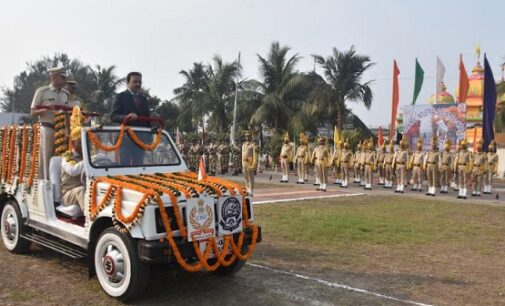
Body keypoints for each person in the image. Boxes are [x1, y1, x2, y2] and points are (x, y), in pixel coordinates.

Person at [31, 67, 69, 179]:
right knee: (46, 157)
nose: (65, 80)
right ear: (54, 77)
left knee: (60, 157)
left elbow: (67, 114)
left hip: (61, 130)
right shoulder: (42, 92)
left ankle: (57, 182)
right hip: (47, 127)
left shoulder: (65, 94)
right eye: (62, 77)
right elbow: (32, 112)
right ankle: (44, 183)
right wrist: (45, 109)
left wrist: (68, 131)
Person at [111, 72, 150, 166]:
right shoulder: (120, 97)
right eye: (135, 81)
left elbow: (147, 119)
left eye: (140, 82)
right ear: (128, 83)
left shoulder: (143, 99)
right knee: (125, 166)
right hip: (125, 139)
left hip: (140, 139)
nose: (138, 84)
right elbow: (113, 116)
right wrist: (127, 117)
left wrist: (149, 137)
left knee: (139, 166)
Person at [60, 107, 86, 214]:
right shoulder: (66, 157)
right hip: (68, 195)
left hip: (83, 191)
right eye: (80, 142)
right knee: (81, 190)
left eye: (85, 142)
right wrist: (89, 161)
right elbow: (73, 170)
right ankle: (92, 219)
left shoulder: (86, 157)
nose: (84, 145)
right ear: (74, 143)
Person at [242, 132, 257, 196]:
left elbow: (255, 155)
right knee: (245, 176)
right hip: (244, 162)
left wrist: (254, 164)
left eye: (248, 136)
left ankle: (251, 190)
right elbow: (242, 154)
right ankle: (247, 188)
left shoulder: (253, 145)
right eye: (246, 136)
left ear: (251, 137)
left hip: (250, 162)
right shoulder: (244, 144)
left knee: (251, 177)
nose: (247, 137)